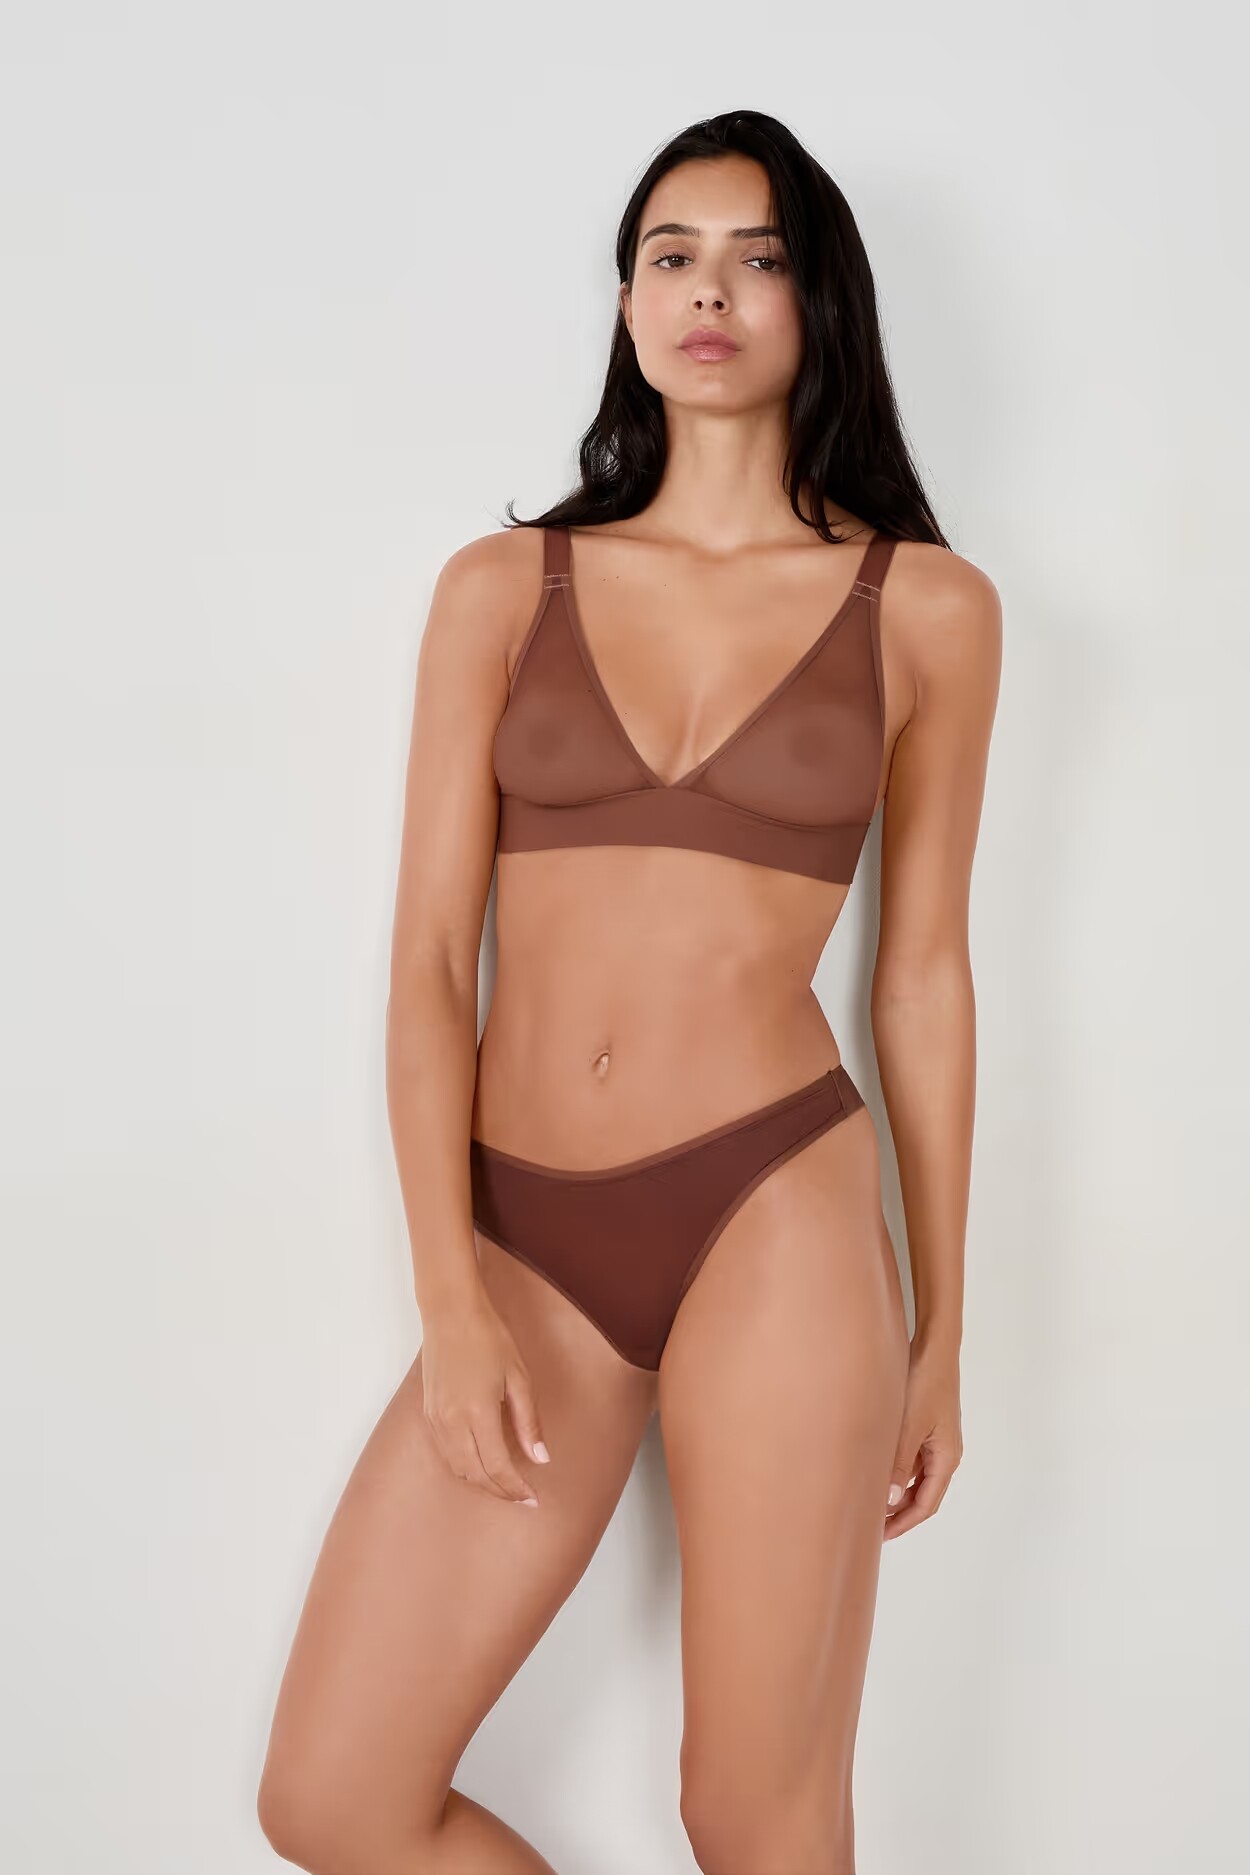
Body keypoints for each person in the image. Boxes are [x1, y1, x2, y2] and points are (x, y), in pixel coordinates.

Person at [257, 108, 1001, 1875]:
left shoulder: (925, 609)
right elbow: (428, 966)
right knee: (333, 1802)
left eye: (758, 258)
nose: (708, 293)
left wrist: (943, 1333)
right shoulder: (502, 588)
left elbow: (920, 977)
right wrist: (447, 1293)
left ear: (820, 302)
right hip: (523, 1241)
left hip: (775, 1208)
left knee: (753, 1815)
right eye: (672, 256)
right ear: (625, 302)